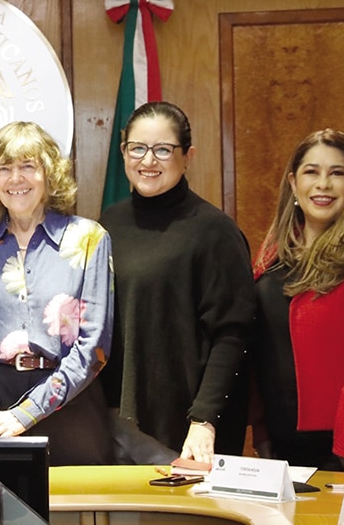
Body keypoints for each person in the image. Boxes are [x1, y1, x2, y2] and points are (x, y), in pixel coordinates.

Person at [0, 121, 114, 465]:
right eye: (4, 168)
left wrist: (24, 416)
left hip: (70, 403)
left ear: (49, 175)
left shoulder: (89, 240)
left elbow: (94, 345)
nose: (15, 178)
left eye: (27, 166)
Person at [99, 101, 254, 464]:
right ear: (123, 152)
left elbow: (233, 335)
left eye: (163, 150)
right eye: (137, 147)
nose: (148, 161)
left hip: (186, 431)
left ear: (188, 156)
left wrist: (205, 419)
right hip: (115, 422)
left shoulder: (215, 231)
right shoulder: (109, 222)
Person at [250, 129, 344, 474]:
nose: (323, 184)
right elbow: (261, 345)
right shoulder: (273, 254)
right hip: (284, 443)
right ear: (293, 183)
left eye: (337, 173)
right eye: (311, 172)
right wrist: (262, 428)